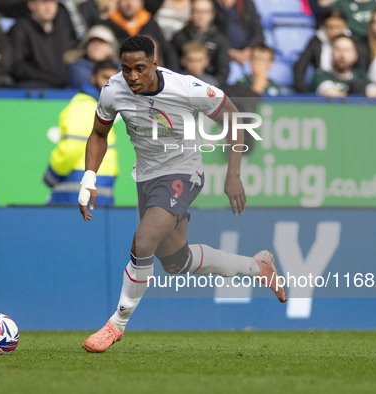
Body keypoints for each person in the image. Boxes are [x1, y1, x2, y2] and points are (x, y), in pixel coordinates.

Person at [78, 35, 286, 353]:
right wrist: (88, 178)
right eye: (126, 68)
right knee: (176, 261)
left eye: (139, 68)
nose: (132, 76)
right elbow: (98, 133)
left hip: (183, 173)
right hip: (146, 177)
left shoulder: (187, 88)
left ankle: (115, 325)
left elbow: (233, 118)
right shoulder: (113, 89)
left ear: (155, 65)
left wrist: (233, 174)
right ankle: (257, 267)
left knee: (143, 241)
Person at [44, 60, 119, 205]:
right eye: (105, 77)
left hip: (96, 187)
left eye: (114, 80)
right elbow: (72, 147)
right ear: (92, 78)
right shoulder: (84, 106)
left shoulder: (102, 107)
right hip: (77, 188)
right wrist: (52, 176)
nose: (110, 84)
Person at [8, 0, 76, 88]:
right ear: (31, 5)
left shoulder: (63, 30)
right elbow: (17, 66)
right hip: (33, 91)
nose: (48, 7)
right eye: (44, 2)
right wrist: (49, 78)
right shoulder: (20, 29)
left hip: (63, 91)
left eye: (52, 2)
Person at [102, 0, 178, 69]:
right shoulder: (108, 24)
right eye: (124, 0)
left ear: (141, 3)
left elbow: (167, 50)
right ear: (118, 2)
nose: (129, 4)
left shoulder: (150, 23)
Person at [293, 8, 353, 92]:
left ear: (345, 26)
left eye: (338, 27)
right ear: (324, 27)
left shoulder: (352, 41)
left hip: (348, 86)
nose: (334, 32)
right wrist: (302, 92)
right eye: (330, 27)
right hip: (322, 86)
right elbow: (300, 66)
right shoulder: (316, 41)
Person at [171, 0, 229, 86]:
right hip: (182, 83)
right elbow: (173, 66)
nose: (201, 16)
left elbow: (223, 71)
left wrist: (212, 88)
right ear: (191, 12)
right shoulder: (179, 37)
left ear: (212, 15)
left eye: (205, 12)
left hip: (211, 85)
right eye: (197, 11)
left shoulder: (220, 40)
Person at [311, 34, 376, 96]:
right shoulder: (321, 74)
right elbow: (330, 94)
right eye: (338, 50)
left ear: (355, 55)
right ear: (332, 53)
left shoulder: (360, 75)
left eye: (347, 50)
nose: (342, 55)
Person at [67, 24, 118, 90]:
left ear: (111, 48)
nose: (96, 46)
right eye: (92, 42)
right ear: (86, 47)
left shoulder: (121, 66)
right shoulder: (77, 67)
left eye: (101, 42)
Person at [213, 0, 264, 67]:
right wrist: (228, 51)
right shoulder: (211, 4)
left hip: (248, 55)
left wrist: (248, 50)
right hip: (220, 54)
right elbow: (210, 33)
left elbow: (258, 33)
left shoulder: (247, 3)